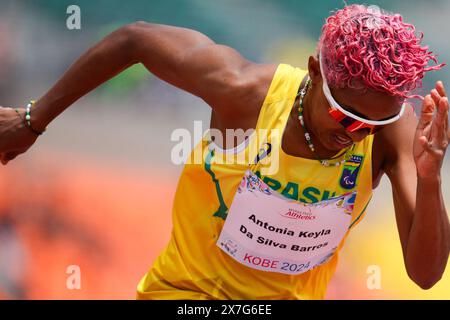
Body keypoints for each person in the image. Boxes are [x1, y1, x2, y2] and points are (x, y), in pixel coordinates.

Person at [0, 4, 449, 300]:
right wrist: (32, 120)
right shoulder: (244, 92)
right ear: (316, 72)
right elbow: (134, 39)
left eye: (374, 124)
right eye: (347, 116)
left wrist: (430, 180)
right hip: (186, 296)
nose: (358, 134)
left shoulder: (391, 134)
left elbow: (425, 275)